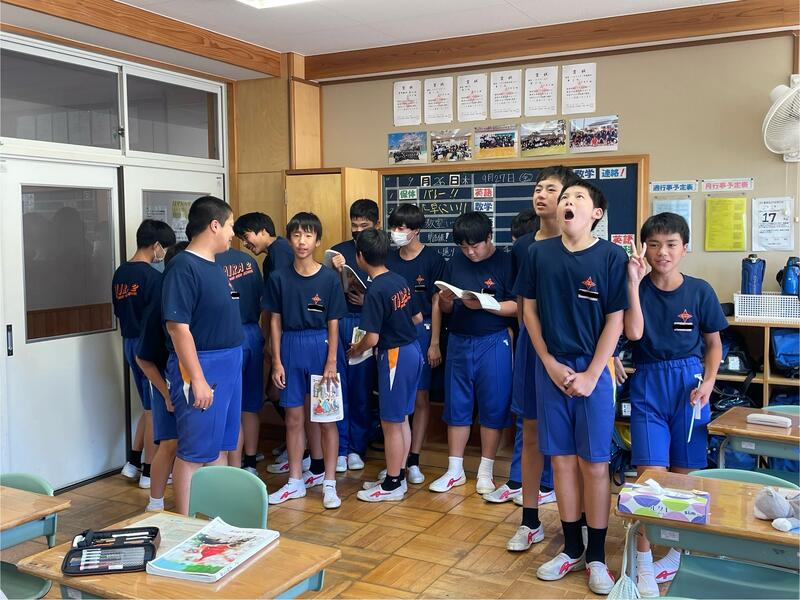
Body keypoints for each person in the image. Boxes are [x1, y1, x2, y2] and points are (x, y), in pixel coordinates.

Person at [523, 180, 628, 595]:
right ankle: (572, 548)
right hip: (551, 369)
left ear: (596, 214)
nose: (568, 202)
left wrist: (592, 374)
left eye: (577, 198)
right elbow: (529, 312)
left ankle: (597, 556)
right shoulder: (538, 253)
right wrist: (548, 362)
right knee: (562, 462)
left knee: (594, 464)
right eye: (565, 197)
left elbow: (616, 320)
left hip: (594, 372)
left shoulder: (611, 256)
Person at [624, 212, 726, 597]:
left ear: (685, 248)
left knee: (685, 480)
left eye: (670, 244)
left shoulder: (700, 291)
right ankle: (643, 562)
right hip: (648, 383)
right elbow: (632, 334)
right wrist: (633, 283)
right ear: (643, 248)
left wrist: (710, 381)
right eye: (653, 244)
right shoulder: (635, 286)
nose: (661, 252)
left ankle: (676, 555)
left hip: (689, 385)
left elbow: (714, 344)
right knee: (651, 478)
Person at [493, 168, 579, 558]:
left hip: (573, 347)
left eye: (551, 189)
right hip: (533, 344)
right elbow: (522, 304)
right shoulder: (525, 247)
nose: (541, 194)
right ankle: (529, 521)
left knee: (572, 443)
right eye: (538, 188)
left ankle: (577, 529)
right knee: (530, 432)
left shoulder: (581, 244)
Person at [162, 196, 243, 515]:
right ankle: (185, 523)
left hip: (228, 363)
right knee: (194, 452)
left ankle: (213, 519)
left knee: (219, 447)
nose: (233, 233)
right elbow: (177, 327)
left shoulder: (215, 265)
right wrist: (197, 379)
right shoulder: (183, 266)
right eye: (231, 225)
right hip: (203, 366)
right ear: (214, 225)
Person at [428, 211, 517, 494]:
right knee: (457, 406)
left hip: (494, 341)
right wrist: (445, 301)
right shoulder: (455, 263)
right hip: (458, 340)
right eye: (464, 247)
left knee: (493, 406)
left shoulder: (506, 262)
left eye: (475, 246)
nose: (470, 252)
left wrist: (486, 305)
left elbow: (518, 306)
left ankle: (486, 471)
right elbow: (445, 307)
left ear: (489, 237)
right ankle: (454, 471)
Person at [264, 212, 347, 509]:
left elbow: (334, 322)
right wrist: (276, 361)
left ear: (318, 241)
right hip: (290, 346)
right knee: (294, 419)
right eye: (297, 235)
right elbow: (274, 321)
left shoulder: (329, 278)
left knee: (326, 420)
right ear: (289, 239)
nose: (302, 241)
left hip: (320, 347)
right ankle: (295, 482)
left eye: (308, 235)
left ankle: (329, 483)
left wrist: (331, 361)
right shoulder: (278, 277)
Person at [348, 229, 423, 502]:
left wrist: (355, 350)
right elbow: (418, 317)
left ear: (360, 256)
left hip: (395, 356)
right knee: (401, 418)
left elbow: (372, 338)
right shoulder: (398, 279)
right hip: (413, 350)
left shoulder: (376, 289)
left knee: (391, 421)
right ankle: (398, 475)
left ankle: (392, 484)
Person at [112, 219, 176, 489]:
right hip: (147, 348)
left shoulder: (120, 272)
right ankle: (150, 472)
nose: (164, 255)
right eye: (165, 249)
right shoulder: (153, 278)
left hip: (128, 342)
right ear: (157, 245)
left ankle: (132, 463)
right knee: (154, 410)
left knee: (148, 406)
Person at [386, 204, 446, 485]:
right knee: (397, 400)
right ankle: (395, 462)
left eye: (402, 227)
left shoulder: (432, 259)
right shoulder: (389, 259)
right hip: (393, 334)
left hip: (422, 333)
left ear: (416, 230)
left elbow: (436, 302)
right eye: (394, 227)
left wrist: (434, 342)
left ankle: (413, 459)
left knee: (420, 397)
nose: (397, 232)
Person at [233, 212, 294, 473]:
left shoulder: (279, 253)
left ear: (262, 231)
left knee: (281, 392)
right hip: (282, 331)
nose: (245, 243)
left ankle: (300, 447)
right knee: (275, 392)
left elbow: (277, 300)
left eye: (246, 236)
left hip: (289, 332)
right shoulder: (272, 255)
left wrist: (271, 339)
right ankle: (295, 443)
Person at [135, 241, 188, 512]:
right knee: (169, 443)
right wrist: (166, 394)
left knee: (188, 447)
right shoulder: (160, 304)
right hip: (164, 382)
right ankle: (155, 504)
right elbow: (143, 359)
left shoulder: (188, 300)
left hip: (184, 382)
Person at [329, 199, 380, 472]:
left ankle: (357, 448)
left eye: (364, 225)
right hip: (339, 321)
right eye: (354, 225)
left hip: (366, 323)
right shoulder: (339, 251)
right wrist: (333, 270)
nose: (358, 230)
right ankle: (340, 447)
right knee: (338, 386)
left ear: (377, 225)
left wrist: (367, 300)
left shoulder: (382, 250)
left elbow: (388, 290)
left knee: (361, 388)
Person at [216, 245, 266, 472]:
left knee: (231, 407)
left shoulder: (209, 261)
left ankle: (232, 467)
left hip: (227, 337)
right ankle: (251, 462)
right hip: (253, 332)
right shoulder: (248, 261)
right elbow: (261, 299)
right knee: (250, 404)